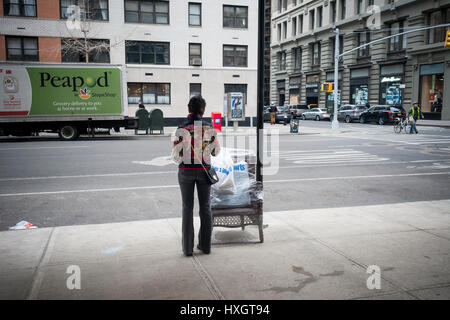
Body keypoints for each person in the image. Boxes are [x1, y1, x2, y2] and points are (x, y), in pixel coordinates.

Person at [172, 95, 220, 256]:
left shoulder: (181, 127)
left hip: (185, 171)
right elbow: (216, 152)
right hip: (204, 171)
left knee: (187, 208)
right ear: (203, 110)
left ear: (188, 109)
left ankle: (187, 248)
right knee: (205, 208)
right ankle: (205, 246)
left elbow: (175, 155)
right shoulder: (209, 128)